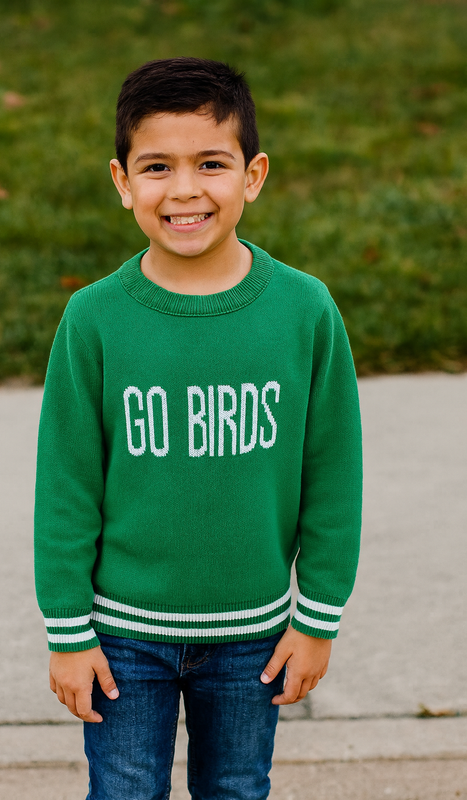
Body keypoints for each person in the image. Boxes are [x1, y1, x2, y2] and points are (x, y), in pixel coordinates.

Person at [34, 56, 362, 800]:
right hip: (121, 635)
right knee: (122, 792)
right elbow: (65, 486)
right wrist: (66, 631)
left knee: (237, 789)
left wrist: (316, 620)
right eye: (156, 166)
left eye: (211, 163)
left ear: (253, 175)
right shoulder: (93, 318)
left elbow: (333, 474)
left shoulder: (304, 311)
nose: (184, 190)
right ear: (122, 182)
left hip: (254, 635)